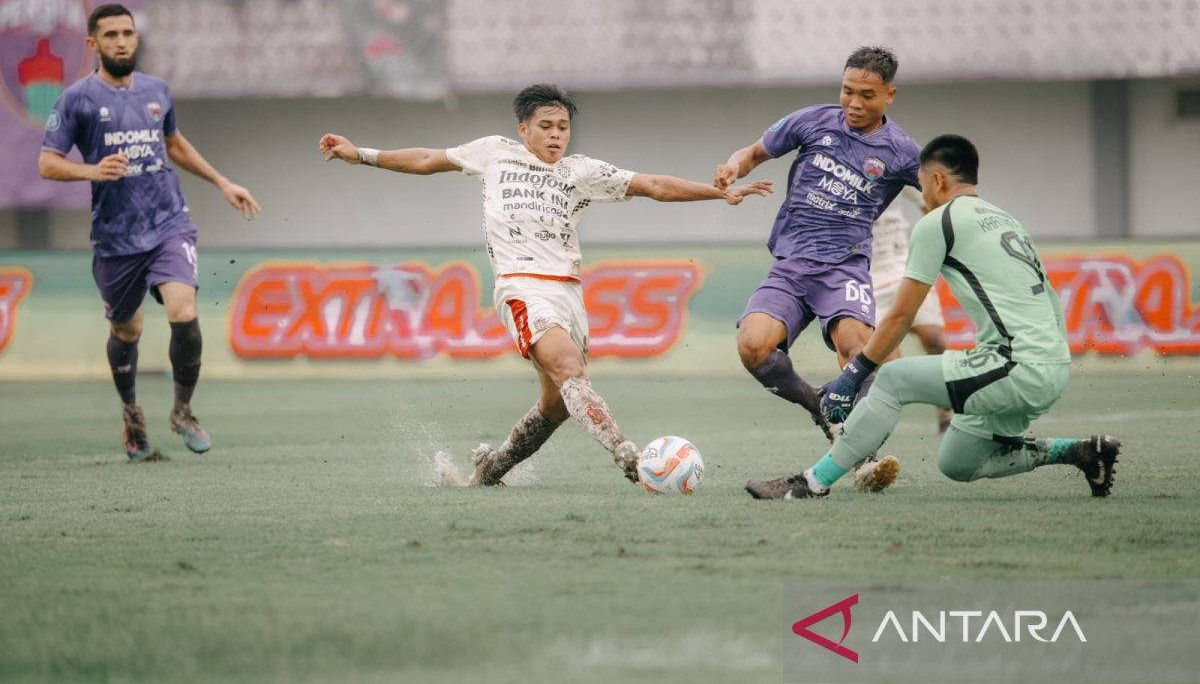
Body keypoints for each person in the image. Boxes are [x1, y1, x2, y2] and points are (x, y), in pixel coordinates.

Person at [318, 83, 772, 487]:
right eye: (546, 126)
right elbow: (426, 159)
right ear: (523, 129)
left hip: (568, 292)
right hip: (521, 288)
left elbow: (653, 185)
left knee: (556, 404)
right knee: (570, 369)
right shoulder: (494, 152)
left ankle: (491, 470)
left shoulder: (581, 171)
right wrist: (361, 154)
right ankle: (626, 453)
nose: (556, 135)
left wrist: (719, 192)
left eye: (563, 127)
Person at [745, 134, 1121, 499]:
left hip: (1014, 367)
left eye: (922, 185)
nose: (921, 195)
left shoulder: (939, 222)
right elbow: (1052, 301)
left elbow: (900, 317)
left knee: (892, 378)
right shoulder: (1007, 220)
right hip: (1052, 365)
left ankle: (812, 482)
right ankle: (1082, 452)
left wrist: (854, 374)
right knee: (958, 460)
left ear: (937, 180)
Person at [38, 4, 261, 461]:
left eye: (128, 33)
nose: (122, 41)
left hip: (168, 222)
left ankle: (182, 411)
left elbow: (174, 144)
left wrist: (222, 182)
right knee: (128, 329)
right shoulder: (76, 99)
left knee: (184, 310)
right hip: (116, 237)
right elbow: (47, 163)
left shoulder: (157, 91)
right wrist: (92, 172)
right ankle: (131, 414)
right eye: (112, 34)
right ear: (93, 44)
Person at [712, 46, 921, 493]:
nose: (854, 103)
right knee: (752, 346)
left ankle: (864, 458)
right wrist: (733, 168)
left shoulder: (902, 151)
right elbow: (752, 153)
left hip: (844, 267)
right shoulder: (813, 120)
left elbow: (942, 195)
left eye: (867, 95)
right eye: (847, 91)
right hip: (790, 266)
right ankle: (820, 407)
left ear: (890, 95)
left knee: (855, 347)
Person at [870, 190, 953, 433]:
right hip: (865, 277)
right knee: (891, 366)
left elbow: (930, 201)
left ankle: (946, 406)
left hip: (904, 268)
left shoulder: (896, 156)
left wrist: (933, 245)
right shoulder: (833, 168)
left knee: (935, 339)